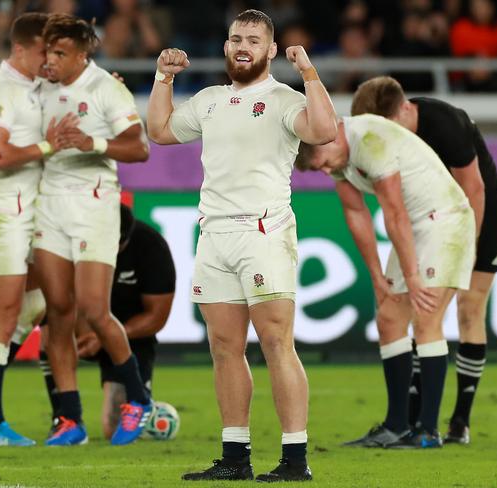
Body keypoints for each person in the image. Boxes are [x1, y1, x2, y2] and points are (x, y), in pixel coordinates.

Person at [147, 9, 336, 482]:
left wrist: (309, 71)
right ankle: (236, 456)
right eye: (235, 38)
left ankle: (295, 459)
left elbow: (325, 130)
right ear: (228, 46)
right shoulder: (210, 100)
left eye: (253, 38)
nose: (242, 45)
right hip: (214, 233)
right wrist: (163, 77)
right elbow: (160, 131)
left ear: (270, 50)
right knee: (225, 346)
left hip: (263, 231)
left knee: (276, 342)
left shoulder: (281, 98)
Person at [295, 113, 475, 448]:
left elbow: (393, 212)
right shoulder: (338, 156)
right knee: (390, 318)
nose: (325, 170)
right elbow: (356, 213)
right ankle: (396, 424)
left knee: (426, 319)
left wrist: (411, 276)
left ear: (332, 136)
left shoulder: (369, 140)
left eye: (321, 163)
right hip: (416, 228)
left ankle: (427, 430)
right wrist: (377, 277)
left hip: (444, 222)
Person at [350, 75, 497, 444]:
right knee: (420, 313)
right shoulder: (393, 129)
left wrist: (468, 248)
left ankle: (459, 421)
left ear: (405, 109)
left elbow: (475, 188)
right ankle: (416, 418)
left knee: (469, 309)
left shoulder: (445, 123)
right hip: (430, 218)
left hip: (479, 211)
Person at [0, 12, 76, 446]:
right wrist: (47, 146)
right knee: (6, 316)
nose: (51, 59)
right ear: (22, 48)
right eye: (45, 51)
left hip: (30, 216)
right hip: (1, 215)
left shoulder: (35, 85)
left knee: (39, 303)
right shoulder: (2, 90)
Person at [33, 13, 152, 446]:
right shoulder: (39, 87)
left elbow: (139, 148)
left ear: (83, 55)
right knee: (56, 313)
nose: (51, 60)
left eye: (60, 53)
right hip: (50, 204)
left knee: (93, 310)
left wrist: (92, 144)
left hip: (94, 202)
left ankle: (137, 398)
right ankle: (69, 418)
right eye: (48, 51)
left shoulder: (107, 88)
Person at [39, 204, 176, 439]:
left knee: (113, 428)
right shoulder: (75, 243)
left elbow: (157, 317)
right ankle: (63, 416)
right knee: (49, 332)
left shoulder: (151, 247)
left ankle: (145, 405)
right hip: (85, 325)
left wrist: (104, 337)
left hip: (130, 338)